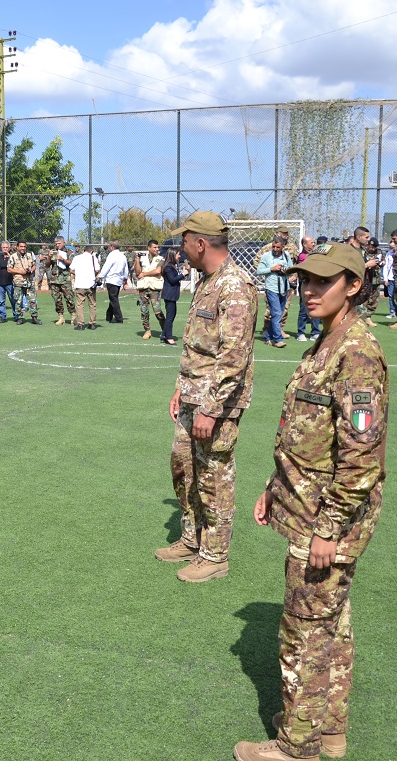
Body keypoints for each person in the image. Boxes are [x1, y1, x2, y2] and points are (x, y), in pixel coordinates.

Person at [233, 240, 388, 761]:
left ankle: (296, 744)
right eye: (305, 281)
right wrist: (274, 490)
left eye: (324, 281)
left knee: (303, 634)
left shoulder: (357, 353)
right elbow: (309, 434)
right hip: (304, 508)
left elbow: (361, 458)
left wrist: (329, 528)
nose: (310, 290)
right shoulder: (328, 340)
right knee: (332, 624)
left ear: (354, 286)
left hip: (326, 522)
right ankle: (328, 729)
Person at [155, 211, 257, 583]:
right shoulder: (208, 282)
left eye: (183, 241)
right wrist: (181, 390)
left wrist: (212, 410)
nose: (180, 249)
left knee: (213, 475)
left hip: (217, 405)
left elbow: (233, 356)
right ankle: (192, 537)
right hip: (193, 397)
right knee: (183, 466)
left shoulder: (234, 286)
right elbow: (200, 348)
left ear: (200, 242)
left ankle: (214, 555)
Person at [256, 236, 293, 347]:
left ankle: (269, 337)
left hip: (284, 288)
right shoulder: (266, 256)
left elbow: (291, 268)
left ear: (283, 247)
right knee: (276, 313)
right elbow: (259, 271)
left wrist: (284, 270)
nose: (275, 249)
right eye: (273, 247)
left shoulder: (286, 255)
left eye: (278, 247)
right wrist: (272, 269)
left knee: (279, 314)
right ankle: (278, 339)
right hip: (271, 288)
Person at [345, 227, 380, 325]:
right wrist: (367, 265)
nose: (368, 240)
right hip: (352, 286)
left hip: (363, 285)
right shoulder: (349, 250)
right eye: (366, 237)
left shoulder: (363, 250)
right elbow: (348, 268)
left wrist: (372, 265)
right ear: (359, 237)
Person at [134, 239, 167, 339]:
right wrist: (137, 261)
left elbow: (158, 271)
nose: (157, 249)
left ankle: (165, 330)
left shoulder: (161, 259)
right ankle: (147, 330)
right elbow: (137, 273)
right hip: (143, 287)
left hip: (154, 288)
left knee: (158, 311)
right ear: (149, 248)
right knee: (144, 311)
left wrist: (144, 274)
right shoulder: (142, 259)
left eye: (158, 247)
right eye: (154, 247)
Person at [294, 236, 323, 341]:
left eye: (314, 242)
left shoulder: (314, 254)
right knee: (303, 310)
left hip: (315, 286)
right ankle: (300, 333)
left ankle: (315, 332)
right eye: (311, 242)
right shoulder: (303, 256)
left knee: (316, 308)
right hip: (305, 287)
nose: (313, 244)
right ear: (304, 244)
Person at [7, 240, 41, 325]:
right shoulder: (13, 256)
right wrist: (20, 271)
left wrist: (31, 270)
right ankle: (19, 317)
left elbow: (34, 265)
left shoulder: (29, 255)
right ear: (17, 247)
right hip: (18, 282)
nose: (23, 248)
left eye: (24, 247)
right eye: (21, 246)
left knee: (32, 300)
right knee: (18, 301)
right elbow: (9, 269)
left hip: (29, 281)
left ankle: (34, 317)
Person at [47, 236, 77, 325]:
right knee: (57, 299)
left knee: (69, 298)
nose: (57, 245)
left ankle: (73, 316)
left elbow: (72, 263)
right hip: (54, 280)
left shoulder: (70, 252)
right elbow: (47, 265)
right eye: (56, 244)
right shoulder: (54, 252)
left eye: (59, 243)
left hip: (65, 279)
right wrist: (49, 257)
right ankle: (61, 317)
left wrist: (62, 259)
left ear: (64, 243)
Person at [70, 244, 100, 330]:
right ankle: (92, 323)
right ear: (91, 251)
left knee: (80, 305)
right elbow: (97, 270)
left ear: (84, 250)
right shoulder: (94, 258)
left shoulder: (76, 258)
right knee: (92, 304)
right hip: (91, 285)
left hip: (80, 284)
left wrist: (78, 274)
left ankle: (80, 324)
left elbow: (71, 270)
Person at [99, 240, 130, 324]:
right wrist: (125, 278)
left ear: (112, 247)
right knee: (113, 297)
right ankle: (109, 316)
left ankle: (119, 318)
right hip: (119, 280)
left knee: (113, 299)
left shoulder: (111, 255)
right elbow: (126, 268)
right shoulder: (123, 256)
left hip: (112, 279)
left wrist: (100, 276)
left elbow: (106, 266)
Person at [159, 248, 186, 345]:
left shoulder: (172, 265)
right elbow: (172, 280)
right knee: (170, 316)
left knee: (172, 315)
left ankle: (164, 334)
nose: (179, 256)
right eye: (178, 254)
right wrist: (183, 274)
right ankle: (168, 337)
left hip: (172, 294)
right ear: (173, 255)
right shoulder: (168, 267)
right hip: (169, 294)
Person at [0, 241, 15, 324]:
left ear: (9, 248)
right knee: (1, 301)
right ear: (1, 248)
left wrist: (9, 256)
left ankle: (16, 316)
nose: (5, 249)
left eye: (6, 248)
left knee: (13, 300)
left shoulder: (12, 257)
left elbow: (16, 265)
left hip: (10, 282)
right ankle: (3, 317)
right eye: (3, 247)